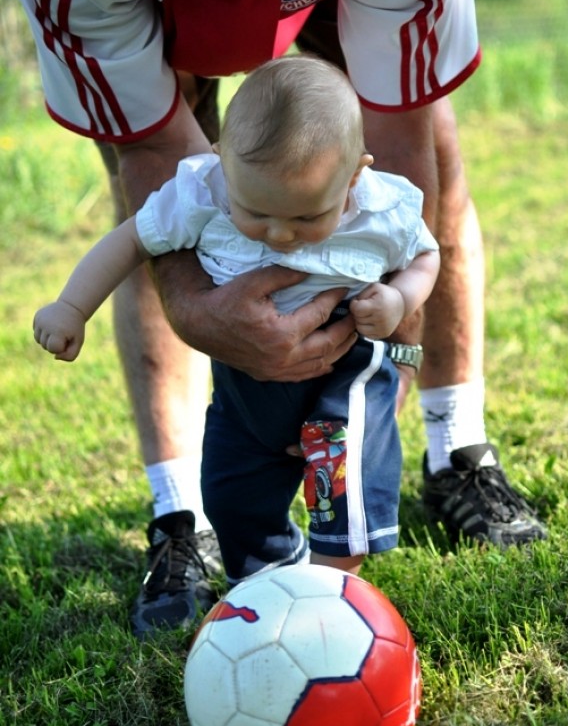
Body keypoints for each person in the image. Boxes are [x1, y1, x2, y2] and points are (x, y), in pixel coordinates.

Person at [0, 0, 546, 637]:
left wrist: (392, 323)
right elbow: (157, 170)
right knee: (181, 209)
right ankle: (181, 515)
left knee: (436, 154)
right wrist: (200, 311)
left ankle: (456, 448)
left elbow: (399, 172)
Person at [34, 55, 441, 612]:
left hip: (345, 367)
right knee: (230, 493)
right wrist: (71, 306)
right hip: (244, 384)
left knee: (337, 465)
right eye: (257, 213)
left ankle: (330, 593)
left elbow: (425, 255)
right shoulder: (203, 193)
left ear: (354, 176)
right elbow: (131, 239)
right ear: (222, 161)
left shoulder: (380, 209)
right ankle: (274, 576)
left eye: (306, 218)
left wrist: (399, 298)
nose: (280, 235)